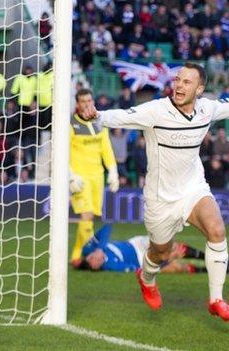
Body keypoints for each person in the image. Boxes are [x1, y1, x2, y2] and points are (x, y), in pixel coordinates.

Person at [78, 62, 229, 320]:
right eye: (178, 80)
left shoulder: (208, 109)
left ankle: (216, 299)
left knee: (217, 230)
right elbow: (122, 116)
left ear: (200, 89)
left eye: (186, 82)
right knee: (159, 253)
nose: (179, 86)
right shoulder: (155, 111)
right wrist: (98, 116)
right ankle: (147, 278)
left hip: (193, 188)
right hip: (160, 200)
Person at [69, 88, 119, 267]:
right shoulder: (70, 123)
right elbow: (62, 150)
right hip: (79, 178)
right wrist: (70, 175)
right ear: (77, 104)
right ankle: (79, 256)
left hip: (97, 177)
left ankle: (78, 253)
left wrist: (113, 171)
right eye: (83, 101)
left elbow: (106, 149)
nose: (87, 104)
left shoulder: (99, 122)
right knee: (87, 216)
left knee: (90, 218)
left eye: (89, 101)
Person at [79, 224, 210, 274]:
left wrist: (100, 248)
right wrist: (166, 260)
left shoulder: (89, 249)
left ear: (89, 257)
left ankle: (207, 258)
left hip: (136, 245)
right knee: (175, 268)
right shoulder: (111, 266)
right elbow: (138, 269)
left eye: (94, 259)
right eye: (97, 265)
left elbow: (107, 227)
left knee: (170, 246)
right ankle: (207, 270)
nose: (98, 261)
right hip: (142, 260)